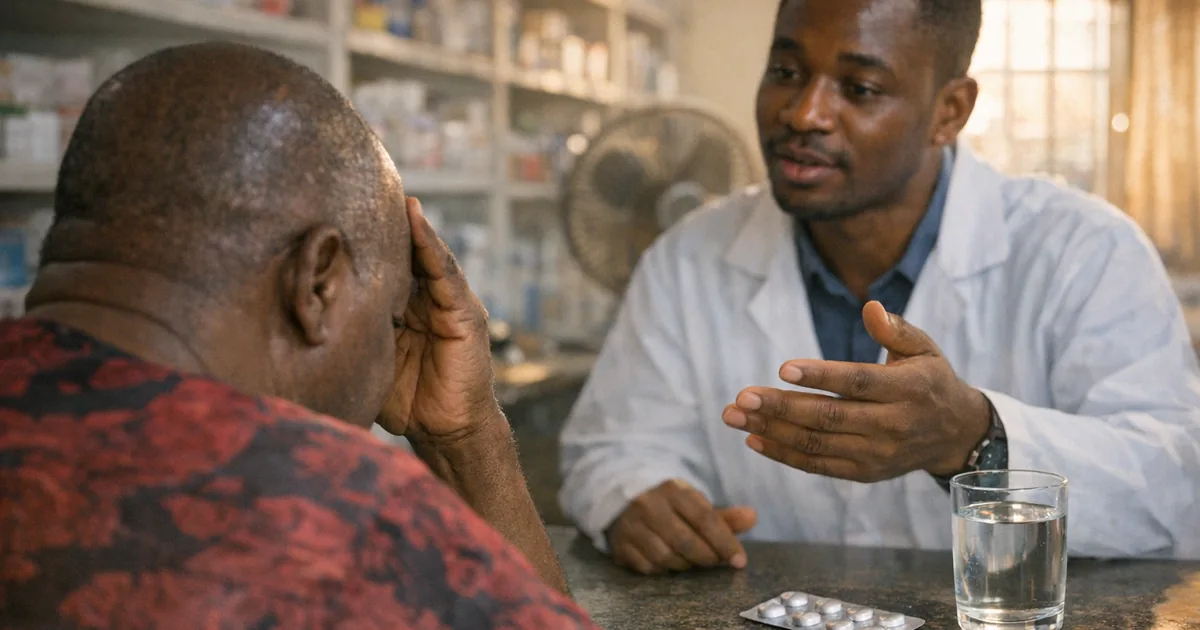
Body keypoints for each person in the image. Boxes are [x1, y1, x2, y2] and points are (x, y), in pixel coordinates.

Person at [559, 0, 1200, 576]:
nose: (803, 113)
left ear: (949, 111)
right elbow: (613, 448)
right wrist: (633, 501)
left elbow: (1171, 486)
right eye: (786, 72)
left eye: (859, 88)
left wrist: (975, 440)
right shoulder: (687, 257)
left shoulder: (1084, 250)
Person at [0, 42, 597, 629]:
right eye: (393, 321)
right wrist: (472, 441)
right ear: (317, 284)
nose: (393, 360)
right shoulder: (336, 517)